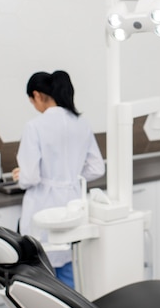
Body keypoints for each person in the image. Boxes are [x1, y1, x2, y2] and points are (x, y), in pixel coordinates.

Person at [13, 70, 105, 288]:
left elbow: (30, 177)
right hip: (72, 206)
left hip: (42, 206)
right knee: (68, 273)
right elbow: (97, 167)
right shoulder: (82, 123)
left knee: (41, 278)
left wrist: (20, 175)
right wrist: (70, 176)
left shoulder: (34, 126)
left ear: (37, 95)